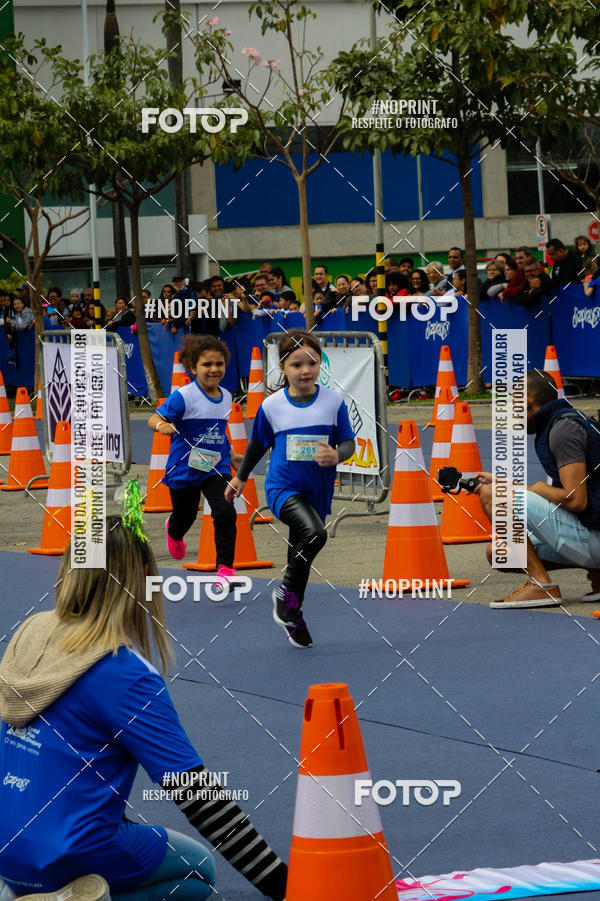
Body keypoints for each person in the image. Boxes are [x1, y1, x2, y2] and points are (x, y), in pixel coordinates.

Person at [0, 485, 288, 901]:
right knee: (197, 871)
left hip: (9, 841)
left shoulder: (31, 631)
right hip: (68, 850)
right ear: (139, 584)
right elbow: (197, 795)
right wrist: (286, 886)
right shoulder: (121, 671)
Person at [225, 330, 355, 648]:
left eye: (311, 362)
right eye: (297, 364)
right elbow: (257, 445)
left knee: (302, 551)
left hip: (318, 490)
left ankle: (293, 615)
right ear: (283, 367)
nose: (305, 370)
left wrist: (336, 454)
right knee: (315, 535)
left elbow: (349, 443)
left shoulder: (333, 401)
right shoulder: (272, 407)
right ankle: (285, 596)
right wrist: (240, 478)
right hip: (282, 486)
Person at [476, 370, 600, 608]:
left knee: (491, 495)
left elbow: (576, 501)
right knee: (499, 553)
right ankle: (597, 572)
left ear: (526, 401)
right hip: (592, 529)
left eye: (515, 405)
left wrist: (538, 488)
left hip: (594, 533)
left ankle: (541, 585)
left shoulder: (563, 430)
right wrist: (509, 485)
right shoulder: (564, 421)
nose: (514, 413)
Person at [147, 335, 241, 580]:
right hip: (184, 469)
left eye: (219, 364)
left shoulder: (227, 397)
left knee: (225, 510)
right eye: (206, 364)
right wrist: (163, 427)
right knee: (185, 516)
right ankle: (174, 531)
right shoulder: (184, 396)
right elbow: (153, 418)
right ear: (192, 367)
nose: (214, 369)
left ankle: (225, 569)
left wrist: (231, 455)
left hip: (215, 467)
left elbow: (218, 432)